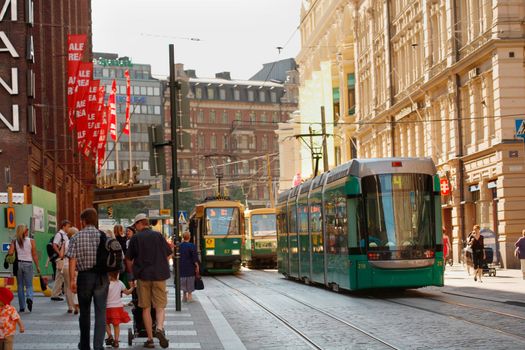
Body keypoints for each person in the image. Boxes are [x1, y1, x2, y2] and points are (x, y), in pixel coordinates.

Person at [125, 213, 172, 349]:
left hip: (143, 277)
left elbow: (128, 259)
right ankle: (159, 328)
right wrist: (161, 264)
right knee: (160, 305)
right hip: (159, 276)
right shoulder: (158, 236)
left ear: (140, 223)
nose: (136, 228)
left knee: (145, 307)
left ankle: (150, 339)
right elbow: (169, 254)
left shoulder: (135, 238)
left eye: (136, 225)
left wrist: (132, 275)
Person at [67, 208, 109, 350]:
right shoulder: (103, 236)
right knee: (100, 312)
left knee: (84, 313)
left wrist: (72, 280)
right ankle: (98, 346)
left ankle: (84, 345)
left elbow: (72, 260)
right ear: (95, 220)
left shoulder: (76, 237)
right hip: (102, 278)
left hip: (84, 277)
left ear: (83, 221)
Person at [7, 224, 41, 312]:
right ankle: (29, 298)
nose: (27, 231)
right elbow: (34, 255)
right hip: (28, 264)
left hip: (18, 265)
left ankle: (22, 307)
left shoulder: (15, 241)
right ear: (24, 231)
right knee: (29, 285)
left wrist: (11, 246)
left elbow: (10, 253)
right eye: (27, 230)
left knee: (20, 286)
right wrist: (37, 266)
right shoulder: (31, 241)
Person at [105, 271, 133, 348]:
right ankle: (116, 341)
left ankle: (110, 336)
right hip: (117, 307)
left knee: (105, 322)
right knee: (116, 325)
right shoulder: (120, 283)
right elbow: (127, 292)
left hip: (107, 307)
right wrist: (133, 287)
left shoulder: (106, 284)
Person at [60, 227, 79, 314]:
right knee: (76, 286)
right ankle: (76, 307)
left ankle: (70, 307)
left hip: (66, 267)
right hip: (75, 267)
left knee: (68, 287)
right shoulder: (78, 242)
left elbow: (61, 255)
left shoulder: (65, 242)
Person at [51, 219, 71, 301]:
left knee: (60, 277)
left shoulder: (64, 235)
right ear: (64, 226)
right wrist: (60, 253)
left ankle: (56, 293)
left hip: (63, 258)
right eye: (68, 226)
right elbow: (54, 245)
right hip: (61, 258)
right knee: (59, 276)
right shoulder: (59, 235)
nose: (69, 228)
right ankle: (55, 294)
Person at [179, 231, 200, 303]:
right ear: (189, 237)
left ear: (183, 237)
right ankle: (190, 297)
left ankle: (184, 296)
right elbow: (194, 258)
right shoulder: (192, 246)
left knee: (183, 280)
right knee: (190, 280)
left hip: (182, 266)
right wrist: (197, 266)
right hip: (190, 267)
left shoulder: (180, 246)